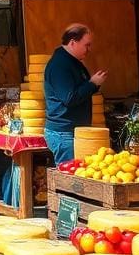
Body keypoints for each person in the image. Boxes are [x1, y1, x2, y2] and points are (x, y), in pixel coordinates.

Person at [43, 24, 108, 165]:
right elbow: (69, 98)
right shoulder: (60, 65)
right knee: (69, 180)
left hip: (73, 131)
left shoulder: (73, 62)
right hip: (64, 132)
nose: (89, 49)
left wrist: (93, 84)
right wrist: (92, 84)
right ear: (73, 42)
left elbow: (79, 90)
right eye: (87, 45)